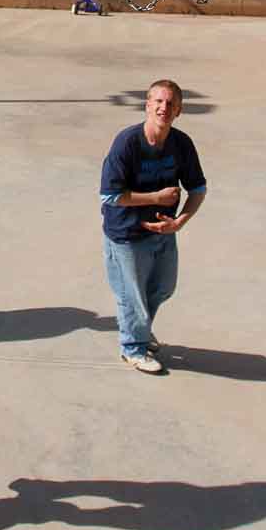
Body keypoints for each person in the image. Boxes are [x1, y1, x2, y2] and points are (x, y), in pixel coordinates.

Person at [99, 79, 207, 374]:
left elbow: (198, 188)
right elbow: (109, 195)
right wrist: (156, 197)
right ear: (146, 105)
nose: (164, 107)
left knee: (162, 288)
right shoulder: (127, 143)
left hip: (163, 232)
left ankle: (140, 330)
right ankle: (132, 347)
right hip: (126, 235)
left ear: (179, 111)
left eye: (170, 103)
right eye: (158, 101)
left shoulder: (181, 144)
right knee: (131, 295)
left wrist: (181, 220)